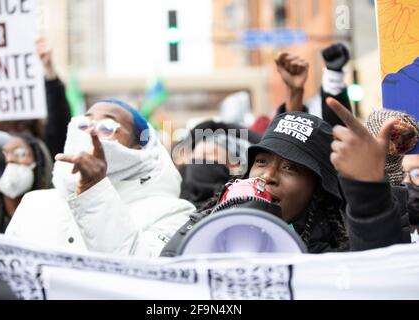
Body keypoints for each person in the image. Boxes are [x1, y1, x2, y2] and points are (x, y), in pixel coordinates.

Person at [161, 98, 408, 256]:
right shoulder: (205, 224)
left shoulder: (331, 259)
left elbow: (378, 274)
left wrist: (368, 192)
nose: (267, 175)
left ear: (318, 191)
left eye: (291, 168)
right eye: (260, 161)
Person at [6, 100, 195, 257]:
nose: (90, 132)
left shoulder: (172, 211)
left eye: (107, 127)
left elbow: (144, 276)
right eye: (83, 125)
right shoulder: (34, 203)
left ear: (139, 150)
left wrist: (94, 190)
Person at [0, 37, 72, 159]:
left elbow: (58, 121)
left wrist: (50, 72)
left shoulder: (46, 146)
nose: (11, 159)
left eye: (21, 154)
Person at [0, 133, 53, 233]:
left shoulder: (52, 218)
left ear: (38, 162)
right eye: (3, 154)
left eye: (20, 153)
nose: (10, 160)